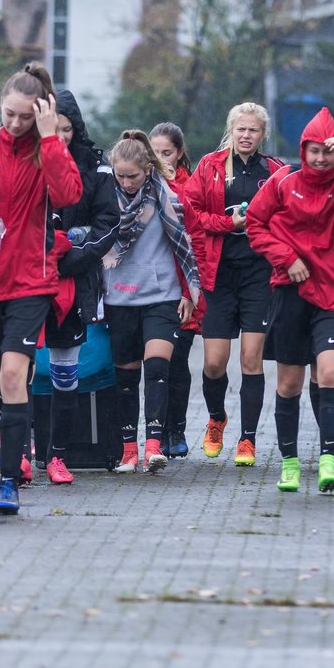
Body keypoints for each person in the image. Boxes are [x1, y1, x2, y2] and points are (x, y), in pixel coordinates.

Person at [0, 63, 82, 515]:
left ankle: (11, 479)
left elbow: (68, 195)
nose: (14, 124)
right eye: (9, 114)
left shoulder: (46, 149)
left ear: (39, 113)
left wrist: (49, 136)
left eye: (25, 116)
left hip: (30, 282)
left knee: (13, 377)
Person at [245, 107, 334, 493]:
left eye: (327, 151)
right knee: (289, 384)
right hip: (289, 295)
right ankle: (289, 463)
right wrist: (286, 259)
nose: (320, 158)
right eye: (314, 151)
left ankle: (327, 459)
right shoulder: (283, 180)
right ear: (303, 150)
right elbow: (255, 224)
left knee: (330, 374)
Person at [182, 102, 283, 467]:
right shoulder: (209, 166)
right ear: (231, 130)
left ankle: (248, 439)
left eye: (253, 130)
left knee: (251, 359)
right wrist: (229, 225)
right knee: (213, 363)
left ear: (262, 135)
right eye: (241, 129)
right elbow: (189, 212)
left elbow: (286, 218)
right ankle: (216, 418)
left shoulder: (274, 171)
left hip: (258, 276)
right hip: (218, 275)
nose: (246, 135)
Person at [101, 130, 201, 473]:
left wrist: (189, 292)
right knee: (126, 378)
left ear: (148, 170)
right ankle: (129, 451)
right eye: (121, 176)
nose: (128, 182)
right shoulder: (104, 200)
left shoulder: (168, 197)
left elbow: (187, 245)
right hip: (119, 297)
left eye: (134, 176)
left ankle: (155, 446)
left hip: (161, 295)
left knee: (158, 369)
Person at [37, 89, 119, 484]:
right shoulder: (25, 160)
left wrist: (70, 254)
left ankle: (57, 455)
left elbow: (108, 226)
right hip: (28, 278)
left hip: (72, 280)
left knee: (64, 372)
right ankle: (19, 453)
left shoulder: (98, 170)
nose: (61, 136)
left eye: (66, 129)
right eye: (55, 129)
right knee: (15, 369)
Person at [149, 121, 197, 458]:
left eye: (167, 153)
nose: (161, 159)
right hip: (149, 287)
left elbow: (194, 245)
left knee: (177, 361)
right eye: (155, 154)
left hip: (183, 288)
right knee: (155, 365)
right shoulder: (140, 184)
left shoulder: (190, 189)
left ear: (179, 154)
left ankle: (175, 429)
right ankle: (156, 430)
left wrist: (189, 293)